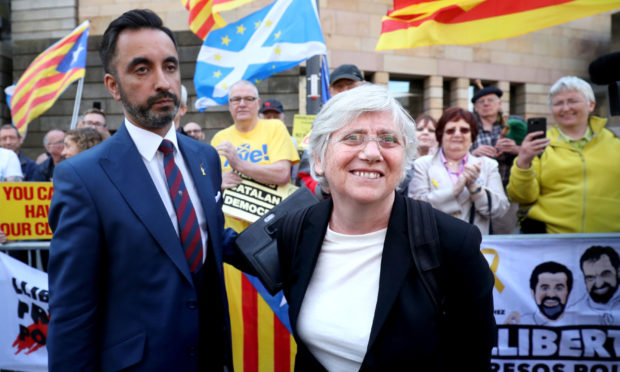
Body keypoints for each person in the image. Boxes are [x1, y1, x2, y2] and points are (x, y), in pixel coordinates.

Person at [47, 9, 240, 371]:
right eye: (142, 69)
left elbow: (204, 241)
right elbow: (72, 312)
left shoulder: (205, 159)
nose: (163, 82)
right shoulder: (83, 178)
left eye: (169, 66)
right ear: (113, 86)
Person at [276, 84, 496, 371]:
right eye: (352, 138)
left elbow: (472, 357)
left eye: (388, 139)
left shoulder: (452, 243)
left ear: (404, 160)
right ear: (318, 159)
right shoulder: (296, 230)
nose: (371, 153)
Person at [507, 76, 620, 233]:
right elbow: (521, 197)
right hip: (552, 244)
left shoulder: (616, 141)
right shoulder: (540, 147)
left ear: (591, 105)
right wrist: (523, 162)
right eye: (558, 103)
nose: (566, 108)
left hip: (610, 244)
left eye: (572, 101)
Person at [210, 79, 299, 233]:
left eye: (248, 99)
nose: (242, 103)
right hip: (231, 233)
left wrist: (239, 164)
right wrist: (217, 182)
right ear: (229, 105)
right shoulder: (219, 138)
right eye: (236, 99)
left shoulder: (275, 127)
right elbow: (207, 188)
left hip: (273, 230)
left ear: (258, 103)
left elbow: (282, 174)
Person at [409, 107, 509, 235]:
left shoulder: (488, 165)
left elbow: (499, 209)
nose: (457, 134)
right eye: (450, 130)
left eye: (464, 130)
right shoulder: (422, 165)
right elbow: (416, 209)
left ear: (472, 135)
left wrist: (475, 189)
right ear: (441, 135)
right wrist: (453, 191)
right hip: (434, 244)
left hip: (476, 247)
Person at [295, 63, 365, 198]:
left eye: (350, 84)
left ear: (363, 85)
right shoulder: (321, 124)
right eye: (339, 86)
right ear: (330, 91)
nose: (345, 90)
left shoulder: (383, 115)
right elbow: (305, 174)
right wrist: (323, 191)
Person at [577, 246, 620, 323]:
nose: (599, 284)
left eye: (605, 274)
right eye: (590, 277)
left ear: (618, 272)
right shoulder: (573, 311)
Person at [398, 114, 438, 195]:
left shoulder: (443, 162)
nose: (425, 133)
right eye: (420, 129)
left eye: (431, 130)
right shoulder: (403, 159)